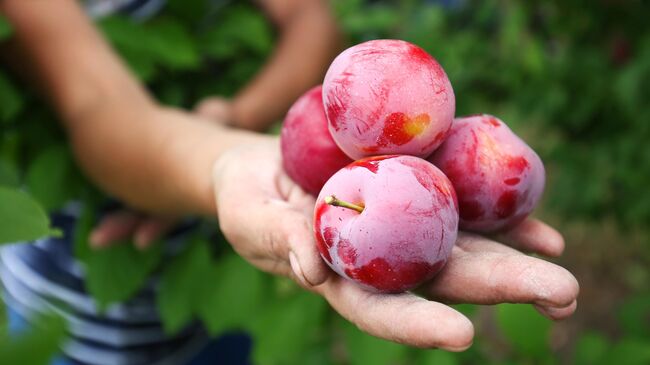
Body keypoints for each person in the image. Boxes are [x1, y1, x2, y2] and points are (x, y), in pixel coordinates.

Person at [0, 0, 579, 359]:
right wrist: (219, 157)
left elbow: (311, 17)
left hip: (211, 266)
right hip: (67, 305)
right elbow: (96, 106)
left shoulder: (388, 141)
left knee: (223, 344)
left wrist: (237, 116)